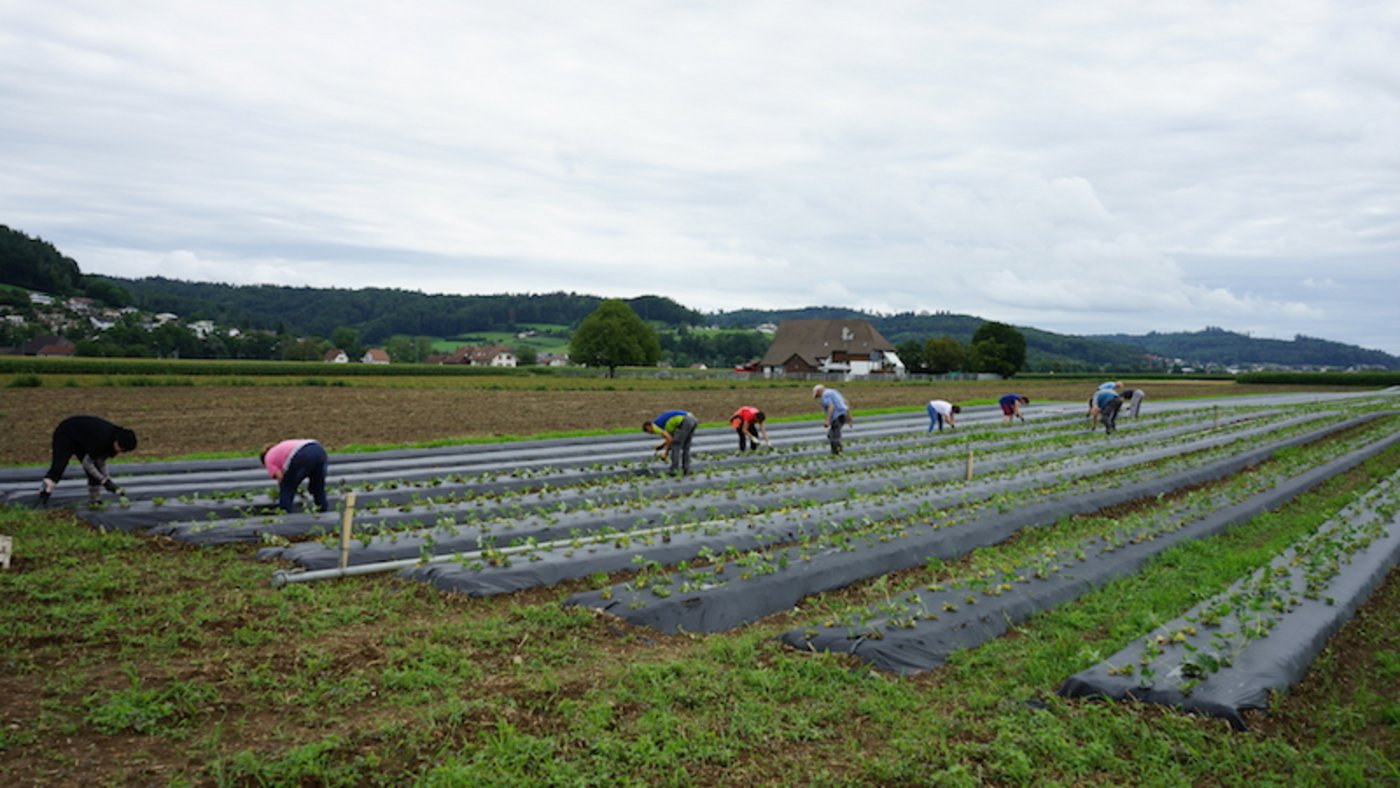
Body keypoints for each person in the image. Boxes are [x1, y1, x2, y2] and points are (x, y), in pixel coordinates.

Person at [37, 415, 138, 505]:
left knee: (95, 474)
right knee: (59, 467)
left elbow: (101, 462)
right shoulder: (102, 440)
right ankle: (43, 497)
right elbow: (87, 463)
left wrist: (108, 480)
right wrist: (104, 481)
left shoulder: (115, 442)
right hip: (66, 434)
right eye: (122, 449)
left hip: (83, 441)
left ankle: (95, 501)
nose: (121, 452)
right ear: (117, 442)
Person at [261, 439, 330, 513]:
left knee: (286, 486)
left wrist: (285, 490)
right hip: (318, 449)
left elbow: (280, 477)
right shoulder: (281, 448)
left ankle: (284, 513)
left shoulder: (268, 457)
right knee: (318, 486)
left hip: (302, 453)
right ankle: (322, 510)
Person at [643, 410, 698, 476]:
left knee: (676, 446)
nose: (651, 433)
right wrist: (662, 446)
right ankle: (686, 470)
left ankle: (674, 470)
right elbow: (671, 438)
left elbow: (670, 440)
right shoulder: (666, 425)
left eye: (649, 431)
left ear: (648, 426)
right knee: (686, 447)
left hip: (685, 421)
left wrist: (665, 454)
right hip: (692, 419)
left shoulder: (655, 426)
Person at [812, 385, 851, 455]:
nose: (819, 397)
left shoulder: (825, 395)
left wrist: (827, 420)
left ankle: (837, 453)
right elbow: (845, 402)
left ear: (819, 391)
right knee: (831, 434)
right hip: (843, 415)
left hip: (836, 417)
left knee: (834, 436)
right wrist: (848, 417)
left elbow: (831, 406)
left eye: (818, 395)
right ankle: (837, 451)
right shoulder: (833, 391)